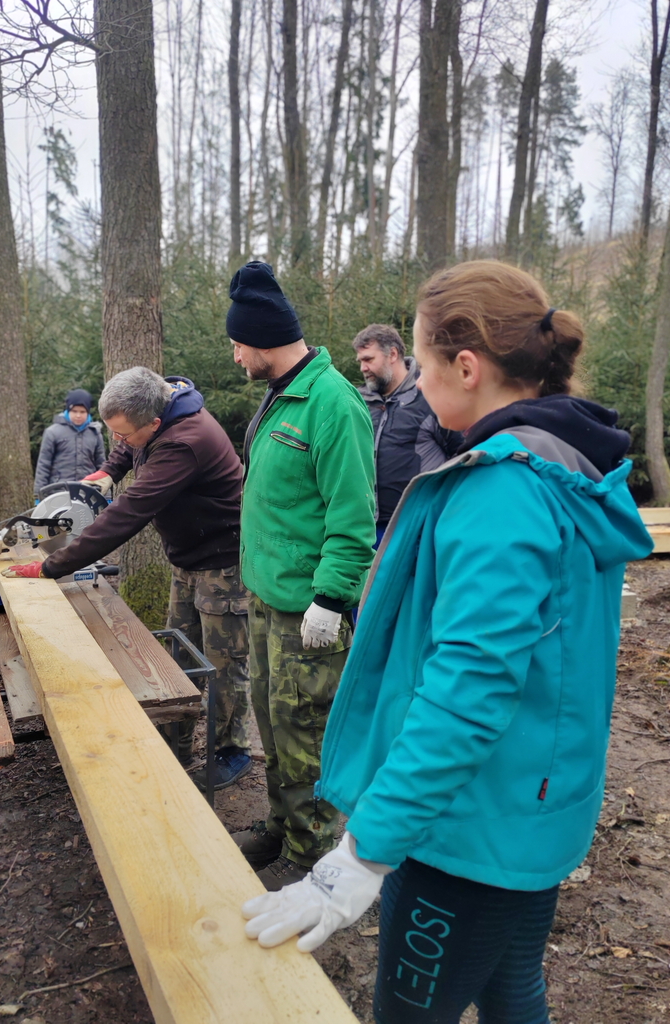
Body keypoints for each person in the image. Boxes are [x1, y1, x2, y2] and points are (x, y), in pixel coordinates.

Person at [240, 261, 654, 1023]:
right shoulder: (559, 462)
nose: (419, 383)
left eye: (425, 363)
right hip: (530, 805)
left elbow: (470, 687)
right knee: (511, 988)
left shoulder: (503, 490)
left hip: (466, 821)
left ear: (467, 367)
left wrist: (364, 851)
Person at [4, 367, 252, 791]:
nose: (118, 440)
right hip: (188, 558)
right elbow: (129, 447)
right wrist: (108, 471)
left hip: (223, 563)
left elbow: (129, 512)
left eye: (124, 434)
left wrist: (52, 565)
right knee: (179, 652)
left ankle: (234, 750)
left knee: (225, 662)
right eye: (113, 432)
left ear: (154, 423)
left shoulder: (185, 442)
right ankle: (176, 743)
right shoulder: (158, 405)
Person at [227, 261, 376, 891]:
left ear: (265, 341)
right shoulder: (281, 394)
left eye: (239, 343)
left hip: (307, 609)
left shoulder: (332, 404)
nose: (236, 356)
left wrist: (331, 599)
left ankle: (313, 853)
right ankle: (282, 825)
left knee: (304, 729)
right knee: (272, 720)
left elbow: (354, 516)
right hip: (267, 598)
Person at [354, 324, 462, 540]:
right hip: (366, 528)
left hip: (420, 529)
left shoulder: (431, 397)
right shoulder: (358, 402)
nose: (363, 368)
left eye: (368, 359)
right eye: (360, 361)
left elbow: (462, 454)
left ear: (392, 354)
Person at [34, 388, 106, 497]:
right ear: (68, 410)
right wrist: (38, 495)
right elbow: (43, 465)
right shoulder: (52, 432)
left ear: (88, 412)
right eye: (74, 411)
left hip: (87, 493)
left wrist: (106, 495)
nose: (78, 415)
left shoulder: (95, 434)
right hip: (58, 492)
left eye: (82, 412)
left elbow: (101, 466)